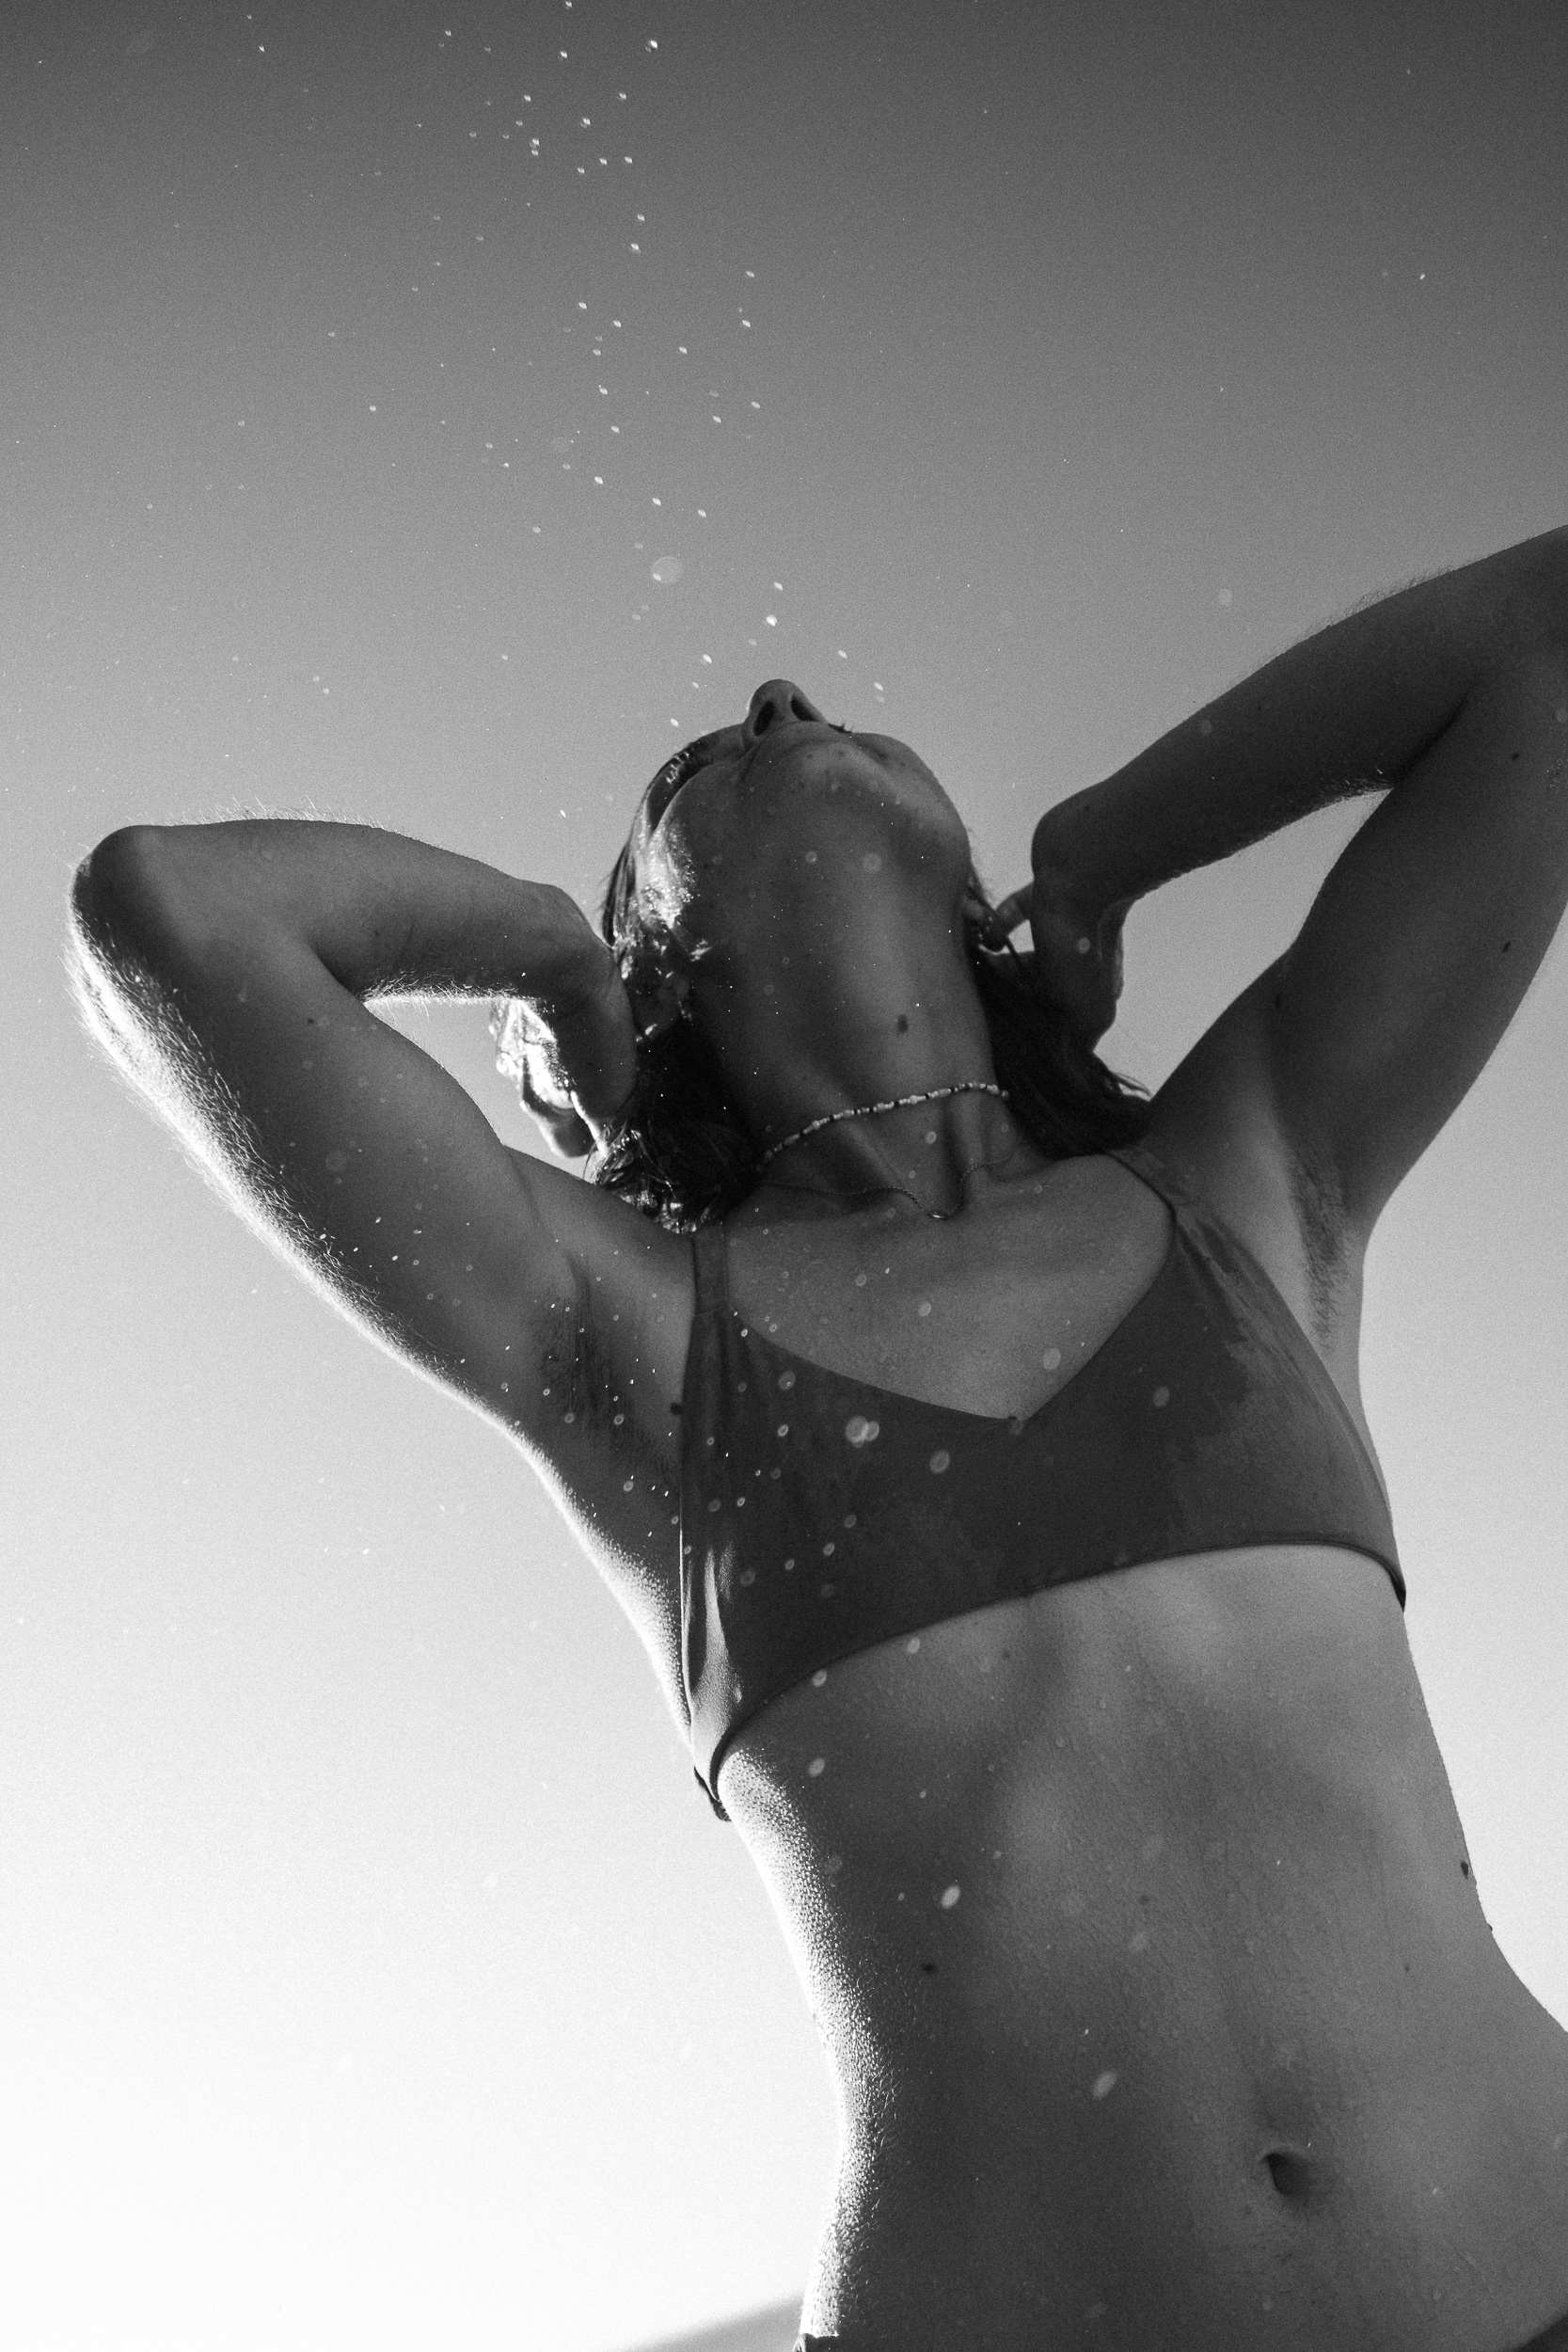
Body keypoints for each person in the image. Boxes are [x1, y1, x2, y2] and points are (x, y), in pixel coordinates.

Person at [70, 528, 1568, 2350]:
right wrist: (540, 949)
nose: (775, 700)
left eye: (815, 712)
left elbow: (1544, 628)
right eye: (687, 769)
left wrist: (1114, 843)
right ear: (659, 967)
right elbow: (166, 912)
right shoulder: (625, 1337)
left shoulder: (1257, 1178)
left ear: (970, 895)